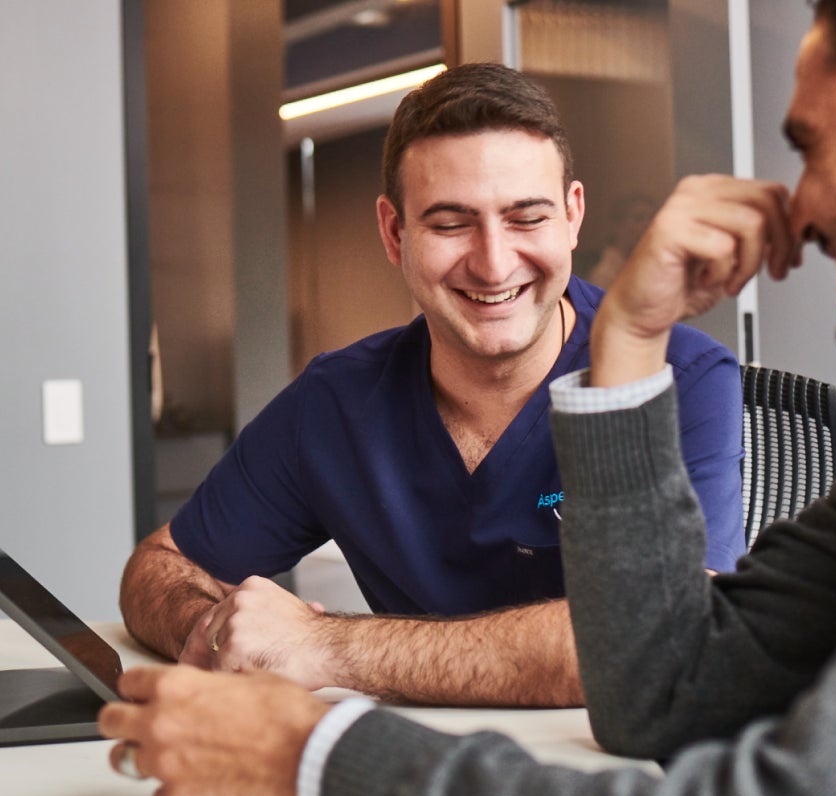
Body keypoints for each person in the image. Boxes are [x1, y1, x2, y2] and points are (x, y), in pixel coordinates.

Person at [99, 0, 836, 796]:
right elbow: (663, 690)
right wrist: (631, 340)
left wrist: (305, 753)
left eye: (810, 148)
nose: (803, 211)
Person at [118, 63, 744, 706]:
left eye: (527, 217)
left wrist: (324, 644)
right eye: (451, 224)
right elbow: (158, 569)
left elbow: (661, 637)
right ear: (395, 233)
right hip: (397, 768)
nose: (494, 262)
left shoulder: (678, 378)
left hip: (604, 777)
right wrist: (217, 634)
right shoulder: (337, 401)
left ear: (572, 215)